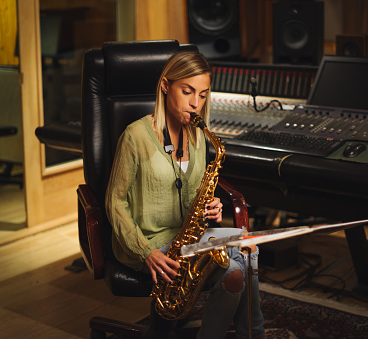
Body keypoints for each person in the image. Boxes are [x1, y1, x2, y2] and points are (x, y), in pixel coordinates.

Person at [105, 50, 265, 339]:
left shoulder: (198, 136)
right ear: (166, 86)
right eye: (187, 91)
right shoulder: (135, 136)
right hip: (149, 242)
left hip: (188, 237)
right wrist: (146, 252)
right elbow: (114, 202)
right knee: (238, 267)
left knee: (247, 251)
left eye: (203, 95)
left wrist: (212, 206)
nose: (195, 103)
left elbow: (193, 196)